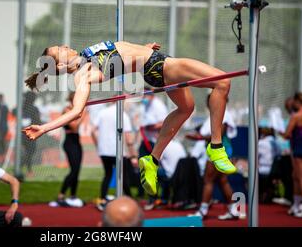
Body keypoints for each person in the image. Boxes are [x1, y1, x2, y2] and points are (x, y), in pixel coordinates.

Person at [23, 41, 235, 197]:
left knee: (186, 108)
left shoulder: (86, 57)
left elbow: (121, 55)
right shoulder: (82, 74)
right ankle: (216, 146)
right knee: (222, 82)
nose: (65, 46)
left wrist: (142, 50)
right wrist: (44, 128)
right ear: (59, 66)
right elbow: (77, 111)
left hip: (151, 64)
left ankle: (152, 160)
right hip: (162, 65)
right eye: (60, 50)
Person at [187, 95, 239, 220]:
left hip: (220, 150)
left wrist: (198, 138)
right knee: (222, 181)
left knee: (208, 180)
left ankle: (202, 211)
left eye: (210, 101)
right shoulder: (217, 113)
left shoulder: (223, 113)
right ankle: (233, 210)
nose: (208, 104)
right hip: (218, 150)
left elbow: (218, 134)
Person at [91, 103, 137, 210]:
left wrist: (98, 145)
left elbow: (92, 130)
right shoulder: (123, 115)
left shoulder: (102, 112)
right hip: (118, 151)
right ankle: (130, 200)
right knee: (123, 176)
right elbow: (128, 137)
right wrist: (133, 155)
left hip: (104, 150)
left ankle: (102, 199)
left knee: (107, 174)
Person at [280, 91, 302, 218]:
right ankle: (297, 205)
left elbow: (286, 134)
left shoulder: (296, 116)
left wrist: (280, 132)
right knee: (295, 176)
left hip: (300, 149)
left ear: (296, 101)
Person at [137, 91, 168, 202]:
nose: (144, 97)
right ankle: (144, 194)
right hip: (146, 141)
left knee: (157, 170)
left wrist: (153, 127)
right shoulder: (144, 106)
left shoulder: (158, 106)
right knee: (142, 167)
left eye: (146, 95)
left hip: (155, 142)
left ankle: (157, 196)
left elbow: (165, 122)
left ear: (152, 95)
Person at [56, 92, 84, 207]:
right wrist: (83, 114)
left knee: (77, 171)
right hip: (69, 142)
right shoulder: (68, 110)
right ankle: (61, 194)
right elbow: (74, 126)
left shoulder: (77, 110)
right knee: (74, 170)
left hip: (76, 141)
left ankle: (73, 195)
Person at [18, 91, 42, 178]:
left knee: (28, 153)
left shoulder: (22, 108)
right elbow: (38, 121)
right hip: (30, 134)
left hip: (23, 134)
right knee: (29, 153)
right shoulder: (32, 109)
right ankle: (25, 169)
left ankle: (22, 168)